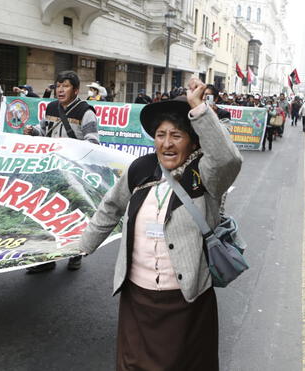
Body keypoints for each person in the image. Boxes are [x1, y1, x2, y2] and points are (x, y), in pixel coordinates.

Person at [79, 77, 242, 370]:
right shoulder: (141, 169)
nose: (166, 143)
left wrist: (199, 109)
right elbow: (111, 207)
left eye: (177, 135)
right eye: (161, 135)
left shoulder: (205, 175)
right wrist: (82, 246)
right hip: (137, 299)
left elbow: (229, 159)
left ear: (193, 141)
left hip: (185, 302)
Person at [23, 70, 99, 272]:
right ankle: (46, 259)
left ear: (75, 90)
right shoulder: (51, 107)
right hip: (49, 171)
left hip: (72, 173)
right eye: (58, 85)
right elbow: (43, 131)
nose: (60, 89)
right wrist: (33, 132)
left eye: (65, 86)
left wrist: (69, 149)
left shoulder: (85, 111)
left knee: (72, 213)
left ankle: (75, 254)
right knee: (45, 214)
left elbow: (93, 142)